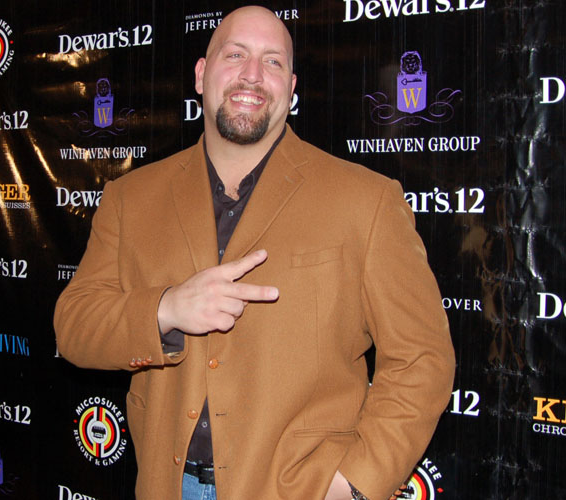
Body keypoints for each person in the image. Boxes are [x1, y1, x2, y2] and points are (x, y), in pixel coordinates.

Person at [54, 6, 455, 500]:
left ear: (291, 88)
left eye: (273, 62)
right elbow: (74, 326)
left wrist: (355, 484)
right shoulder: (128, 198)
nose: (252, 75)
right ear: (201, 75)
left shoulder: (366, 200)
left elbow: (422, 358)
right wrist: (166, 309)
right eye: (235, 54)